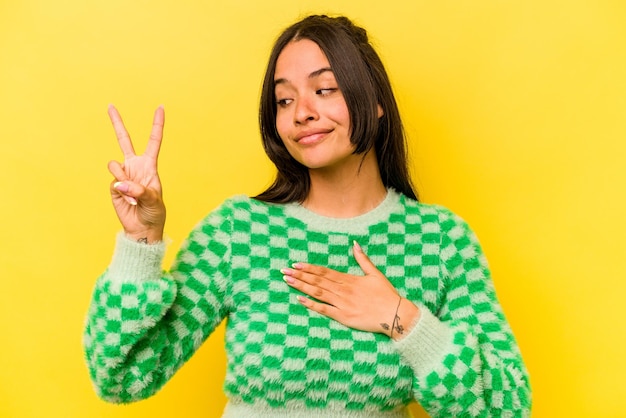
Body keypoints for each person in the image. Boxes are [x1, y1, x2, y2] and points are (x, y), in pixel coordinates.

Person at [84, 14, 532, 417]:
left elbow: (507, 408)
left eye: (325, 89)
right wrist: (140, 243)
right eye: (283, 100)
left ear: (375, 102)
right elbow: (121, 377)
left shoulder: (439, 242)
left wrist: (403, 319)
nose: (302, 113)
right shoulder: (239, 232)